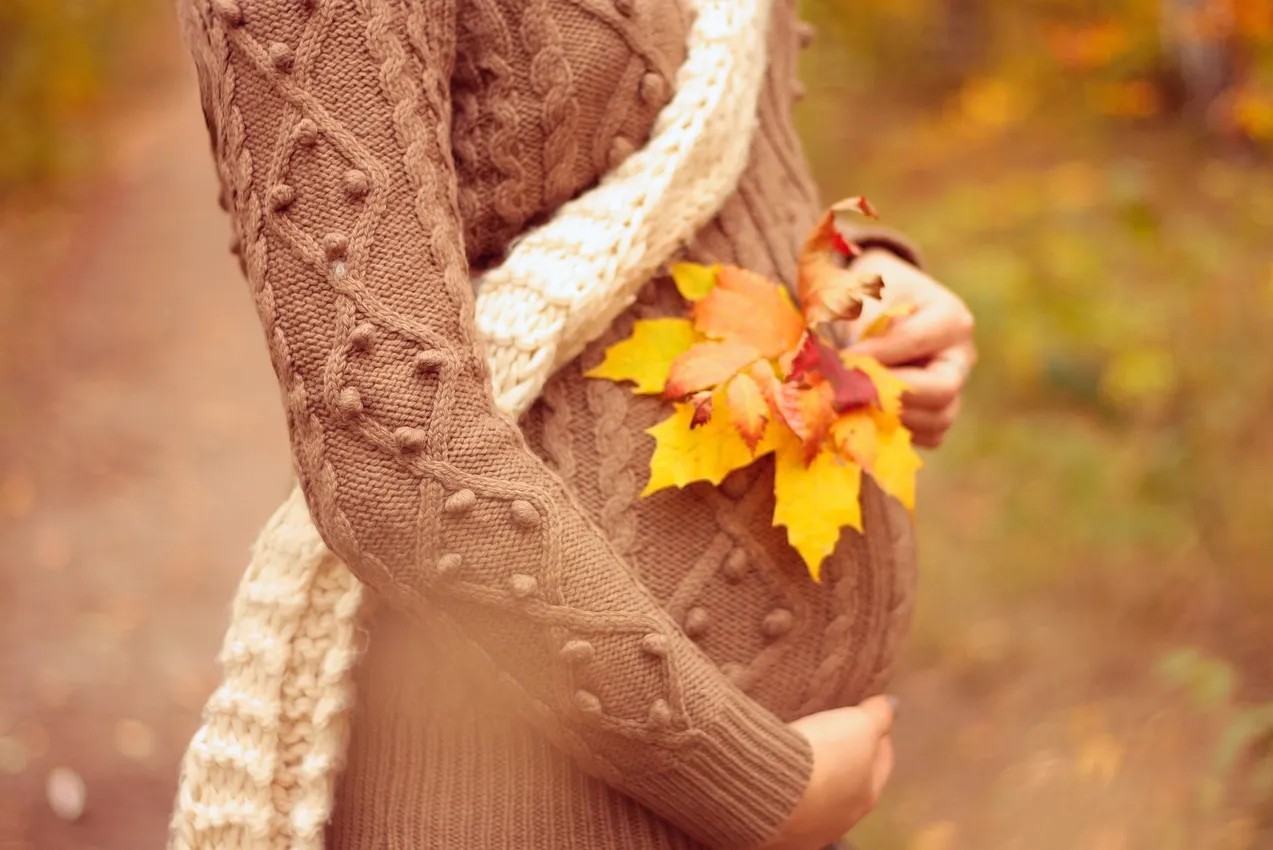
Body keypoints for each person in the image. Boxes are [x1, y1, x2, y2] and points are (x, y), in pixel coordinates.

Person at [169, 0, 976, 849]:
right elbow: (391, 440)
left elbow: (709, 149)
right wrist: (745, 779)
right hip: (531, 788)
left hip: (763, 769)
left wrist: (868, 275)